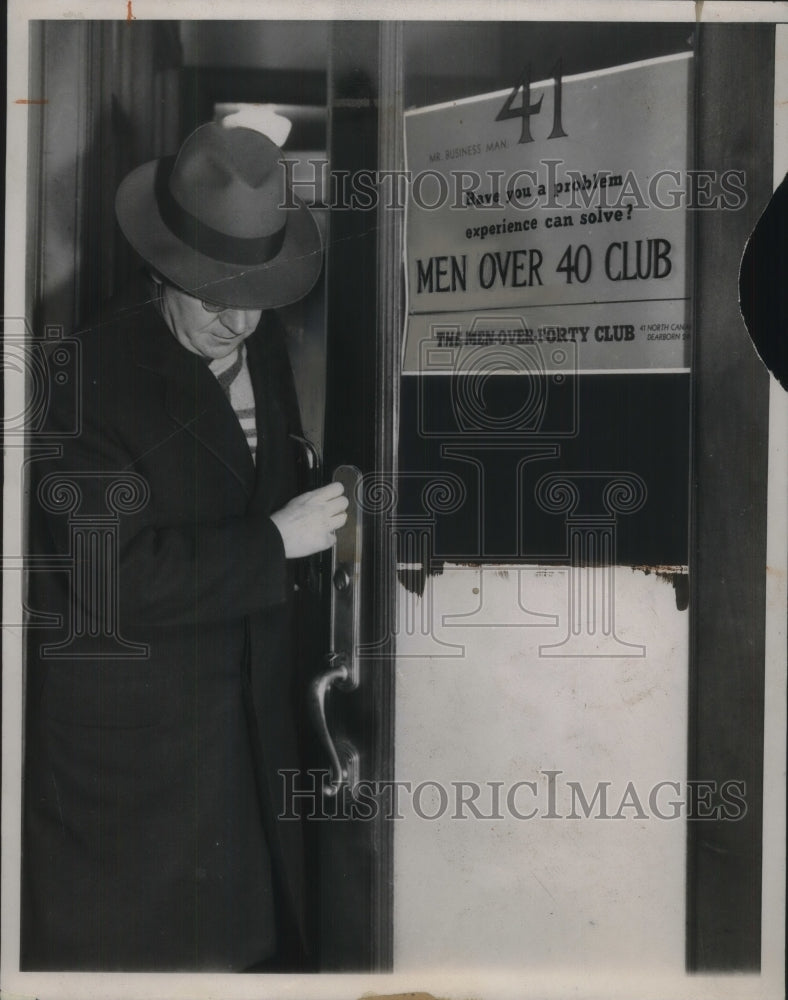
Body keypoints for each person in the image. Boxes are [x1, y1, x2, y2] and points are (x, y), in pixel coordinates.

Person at [21, 122, 347, 971]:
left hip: (241, 745)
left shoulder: (256, 342)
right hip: (136, 780)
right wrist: (277, 544)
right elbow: (112, 577)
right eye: (215, 297)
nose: (237, 321)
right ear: (164, 268)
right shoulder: (86, 376)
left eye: (257, 295)